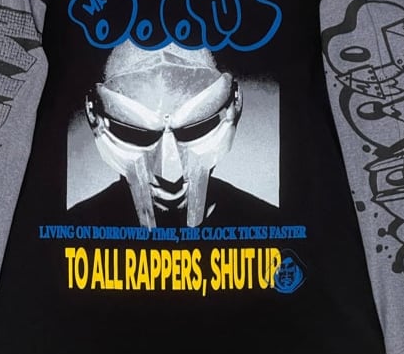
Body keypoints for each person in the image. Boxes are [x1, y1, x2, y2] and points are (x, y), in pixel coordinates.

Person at [68, 40, 279, 228]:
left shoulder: (271, 228)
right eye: (138, 135)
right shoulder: (74, 229)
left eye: (196, 129)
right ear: (93, 116)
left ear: (235, 106)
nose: (171, 175)